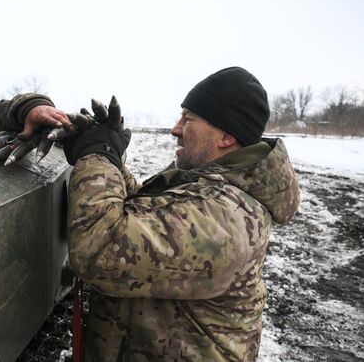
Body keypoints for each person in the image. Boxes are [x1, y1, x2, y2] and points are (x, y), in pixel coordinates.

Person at [62, 67, 300, 361]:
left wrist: (97, 155)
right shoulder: (207, 182)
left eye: (188, 119)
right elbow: (149, 218)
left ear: (226, 136)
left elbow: (100, 248)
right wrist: (112, 159)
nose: (175, 129)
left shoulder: (225, 218)